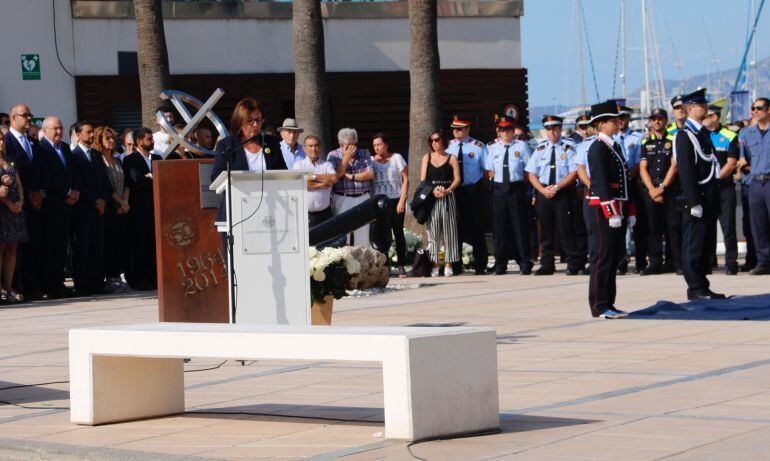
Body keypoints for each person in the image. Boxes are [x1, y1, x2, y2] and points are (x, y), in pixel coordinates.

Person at [211, 97, 286, 246]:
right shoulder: (227, 145)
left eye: (259, 120)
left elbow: (282, 173)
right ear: (240, 121)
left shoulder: (270, 143)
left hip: (269, 214)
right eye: (250, 121)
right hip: (237, 215)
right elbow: (215, 177)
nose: (255, 125)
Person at [675, 88, 725, 299]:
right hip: (698, 197)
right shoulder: (685, 136)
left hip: (709, 195)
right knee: (693, 244)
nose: (705, 107)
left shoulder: (702, 133)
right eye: (700, 105)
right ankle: (694, 287)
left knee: (705, 244)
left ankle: (702, 284)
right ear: (689, 109)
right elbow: (686, 170)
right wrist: (694, 201)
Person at [585, 101, 631, 319]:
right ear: (602, 124)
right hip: (601, 209)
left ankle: (608, 302)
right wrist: (611, 211)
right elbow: (602, 183)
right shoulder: (597, 147)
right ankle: (599, 304)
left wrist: (628, 211)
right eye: (613, 120)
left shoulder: (614, 145)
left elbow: (623, 182)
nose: (618, 122)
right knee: (601, 257)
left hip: (615, 207)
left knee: (612, 257)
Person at [525, 115, 581, 275]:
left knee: (566, 229)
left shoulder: (569, 147)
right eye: (549, 129)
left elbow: (574, 172)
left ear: (560, 129)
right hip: (544, 193)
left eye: (555, 129)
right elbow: (531, 173)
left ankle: (572, 263)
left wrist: (557, 187)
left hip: (562, 192)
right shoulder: (540, 148)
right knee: (545, 230)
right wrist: (542, 191)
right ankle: (547, 264)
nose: (552, 132)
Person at [5, 104, 44, 300]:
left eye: (30, 115)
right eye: (25, 115)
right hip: (15, 204)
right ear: (13, 118)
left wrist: (39, 193)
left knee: (33, 246)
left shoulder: (32, 142)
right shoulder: (7, 141)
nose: (29, 118)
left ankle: (32, 285)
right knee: (16, 248)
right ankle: (16, 286)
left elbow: (40, 171)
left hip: (35, 202)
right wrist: (23, 196)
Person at [485, 116, 532, 275]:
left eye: (508, 129)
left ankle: (525, 262)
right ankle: (500, 264)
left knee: (520, 227)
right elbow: (489, 170)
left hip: (516, 188)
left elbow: (528, 170)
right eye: (502, 130)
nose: (505, 133)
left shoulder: (522, 146)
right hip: (498, 189)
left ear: (513, 131)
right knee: (500, 229)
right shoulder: (492, 147)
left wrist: (521, 186)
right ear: (498, 131)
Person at [38, 116, 79, 299]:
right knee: (50, 246)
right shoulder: (41, 148)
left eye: (61, 128)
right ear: (45, 130)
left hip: (67, 206)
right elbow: (48, 177)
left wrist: (75, 191)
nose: (59, 132)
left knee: (62, 246)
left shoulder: (64, 148)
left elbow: (72, 172)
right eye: (55, 128)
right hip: (51, 205)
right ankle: (50, 285)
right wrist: (67, 191)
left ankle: (59, 282)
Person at [638, 108, 681, 275]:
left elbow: (674, 165)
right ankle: (655, 262)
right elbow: (643, 168)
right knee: (652, 228)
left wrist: (662, 188)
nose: (657, 122)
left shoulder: (673, 139)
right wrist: (652, 190)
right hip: (651, 189)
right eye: (654, 119)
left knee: (673, 227)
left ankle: (675, 262)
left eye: (660, 118)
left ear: (665, 120)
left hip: (668, 189)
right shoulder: (645, 143)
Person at [445, 115, 489, 275]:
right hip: (454, 191)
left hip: (472, 190)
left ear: (467, 129)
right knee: (455, 228)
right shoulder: (448, 147)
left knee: (476, 227)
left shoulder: (478, 146)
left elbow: (486, 171)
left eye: (459, 128)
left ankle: (480, 265)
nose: (456, 131)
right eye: (454, 129)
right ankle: (455, 266)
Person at [72, 122, 111, 295]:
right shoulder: (74, 156)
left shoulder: (96, 155)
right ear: (78, 135)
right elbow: (77, 182)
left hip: (99, 209)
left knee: (98, 246)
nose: (91, 135)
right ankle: (82, 284)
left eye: (92, 132)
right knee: (83, 247)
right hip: (83, 208)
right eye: (87, 132)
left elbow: (104, 180)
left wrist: (103, 199)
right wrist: (94, 200)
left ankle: (96, 282)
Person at [124, 127, 162, 290]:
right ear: (139, 141)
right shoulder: (130, 160)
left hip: (156, 208)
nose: (152, 141)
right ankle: (140, 279)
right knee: (140, 244)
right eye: (149, 139)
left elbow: (164, 178)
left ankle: (155, 278)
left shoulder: (158, 158)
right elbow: (136, 181)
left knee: (154, 244)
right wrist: (152, 178)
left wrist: (150, 177)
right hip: (139, 210)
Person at [703, 105, 739, 274]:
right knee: (707, 227)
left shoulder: (729, 136)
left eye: (706, 116)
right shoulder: (701, 136)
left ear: (715, 117)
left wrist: (715, 178)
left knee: (728, 228)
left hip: (724, 188)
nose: (703, 119)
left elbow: (731, 163)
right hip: (707, 189)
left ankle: (731, 263)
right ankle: (710, 263)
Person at [93, 126, 130, 292]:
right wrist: (120, 202)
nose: (111, 141)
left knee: (119, 244)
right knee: (107, 245)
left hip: (122, 208)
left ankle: (116, 276)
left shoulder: (118, 160)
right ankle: (108, 278)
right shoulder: (98, 160)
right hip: (108, 207)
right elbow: (106, 186)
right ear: (99, 140)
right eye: (107, 138)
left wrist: (125, 202)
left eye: (113, 138)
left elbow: (126, 183)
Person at [422, 131, 461, 277]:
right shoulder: (427, 157)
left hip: (447, 196)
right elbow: (423, 180)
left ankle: (449, 263)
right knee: (433, 232)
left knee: (449, 231)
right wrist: (432, 192)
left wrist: (448, 190)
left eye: (437, 140)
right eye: (431, 140)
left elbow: (457, 178)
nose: (434, 143)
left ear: (443, 141)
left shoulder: (451, 158)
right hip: (432, 197)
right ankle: (435, 263)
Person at [327, 128, 374, 247]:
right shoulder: (333, 155)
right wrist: (346, 158)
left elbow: (370, 174)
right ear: (341, 145)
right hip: (342, 197)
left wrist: (350, 176)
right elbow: (335, 176)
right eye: (348, 146)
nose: (352, 149)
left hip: (362, 197)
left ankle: (364, 263)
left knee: (363, 233)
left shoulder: (364, 153)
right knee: (342, 234)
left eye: (353, 145)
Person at [370, 133, 408, 276]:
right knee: (382, 233)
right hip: (379, 202)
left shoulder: (396, 158)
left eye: (379, 144)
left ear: (386, 144)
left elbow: (406, 179)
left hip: (396, 199)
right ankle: (386, 265)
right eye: (374, 145)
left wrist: (402, 200)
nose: (377, 147)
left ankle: (401, 265)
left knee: (398, 233)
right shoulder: (371, 161)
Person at [739, 97, 770, 275]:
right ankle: (763, 262)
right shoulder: (748, 133)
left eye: (759, 108)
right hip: (755, 181)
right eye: (753, 108)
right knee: (758, 225)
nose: (755, 111)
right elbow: (744, 159)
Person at [615, 105, 646, 274]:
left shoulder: (637, 137)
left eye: (623, 117)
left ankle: (641, 262)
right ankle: (621, 261)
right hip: (617, 186)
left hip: (633, 183)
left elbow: (639, 162)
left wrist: (627, 177)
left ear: (628, 119)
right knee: (618, 223)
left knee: (638, 224)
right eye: (617, 118)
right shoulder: (611, 139)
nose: (620, 121)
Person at [0, 129, 28, 303]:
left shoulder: (10, 160)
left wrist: (20, 201)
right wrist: (9, 204)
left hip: (15, 211)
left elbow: (18, 182)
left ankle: (9, 287)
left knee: (12, 248)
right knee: (1, 248)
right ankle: (0, 288)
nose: (1, 142)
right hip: (2, 210)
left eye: (2, 139)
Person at [293, 135, 337, 227]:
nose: (314, 148)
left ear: (320, 148)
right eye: (310, 146)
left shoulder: (327, 165)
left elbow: (333, 178)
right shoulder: (299, 165)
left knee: (327, 240)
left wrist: (312, 176)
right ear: (304, 148)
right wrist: (322, 184)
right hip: (306, 214)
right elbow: (302, 184)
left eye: (316, 145)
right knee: (308, 241)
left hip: (325, 213)